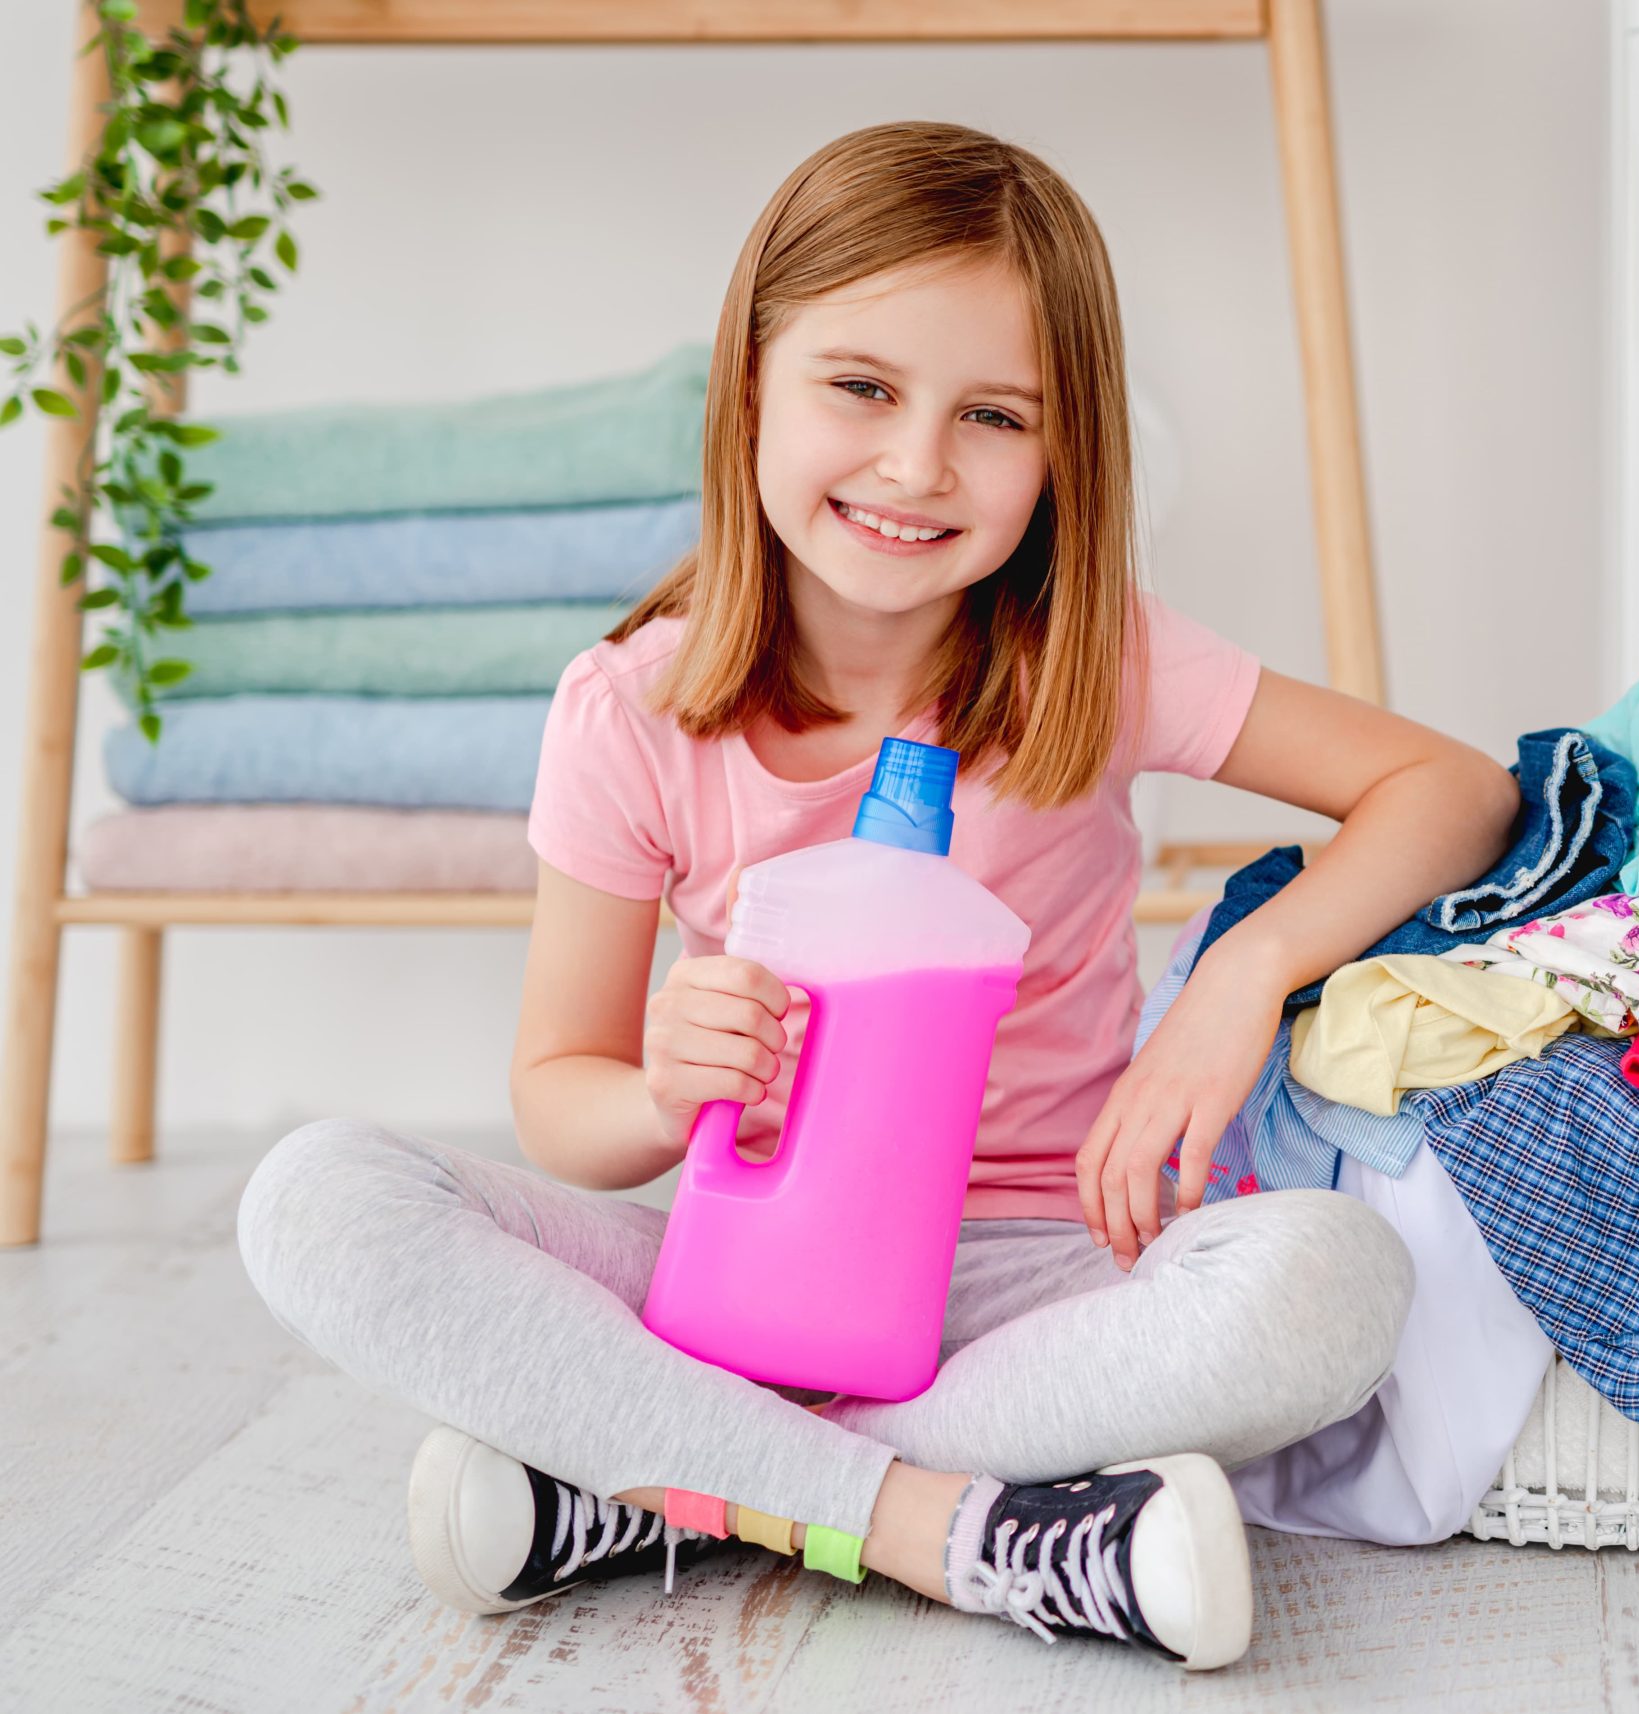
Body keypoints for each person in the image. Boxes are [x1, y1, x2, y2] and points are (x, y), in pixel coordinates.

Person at [234, 121, 1518, 1672]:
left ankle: (668, 1484)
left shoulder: (1091, 660)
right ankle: (940, 1526)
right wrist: (655, 1085)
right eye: (862, 387)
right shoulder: (632, 713)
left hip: (1041, 1271)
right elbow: (557, 1093)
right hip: (740, 1278)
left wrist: (1244, 976)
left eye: (993, 415)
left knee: (1333, 1283)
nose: (918, 465)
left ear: (1064, 457)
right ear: (751, 383)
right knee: (316, 1197)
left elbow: (1453, 788)